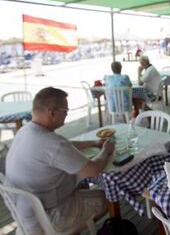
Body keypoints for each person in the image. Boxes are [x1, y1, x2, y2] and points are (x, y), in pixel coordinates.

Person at [5, 87, 113, 234]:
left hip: (25, 214)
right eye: (65, 111)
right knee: (109, 198)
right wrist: (106, 150)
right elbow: (93, 169)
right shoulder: (52, 143)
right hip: (49, 218)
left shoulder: (25, 131)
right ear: (52, 112)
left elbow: (64, 146)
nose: (66, 115)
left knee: (80, 185)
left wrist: (93, 143)